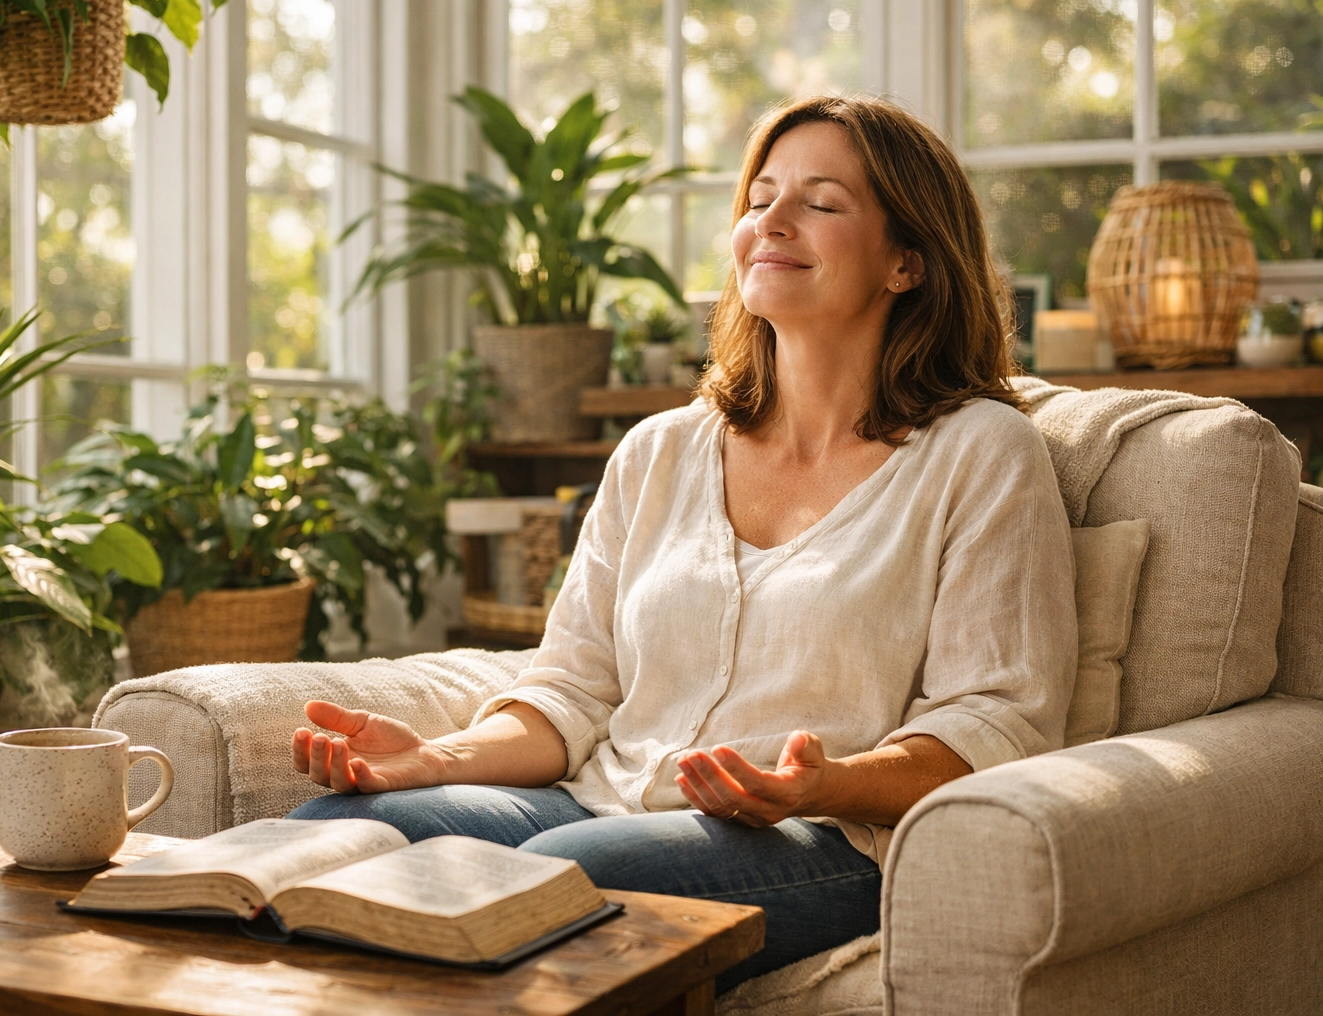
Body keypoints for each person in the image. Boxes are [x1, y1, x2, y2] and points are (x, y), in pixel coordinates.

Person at [288, 95, 1077, 992]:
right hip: (593, 797)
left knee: (562, 873)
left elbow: (998, 720)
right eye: (760, 197)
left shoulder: (979, 452)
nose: (768, 223)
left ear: (907, 261)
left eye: (819, 203)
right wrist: (431, 761)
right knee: (331, 832)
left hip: (818, 842)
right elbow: (574, 690)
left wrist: (828, 784)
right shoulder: (660, 450)